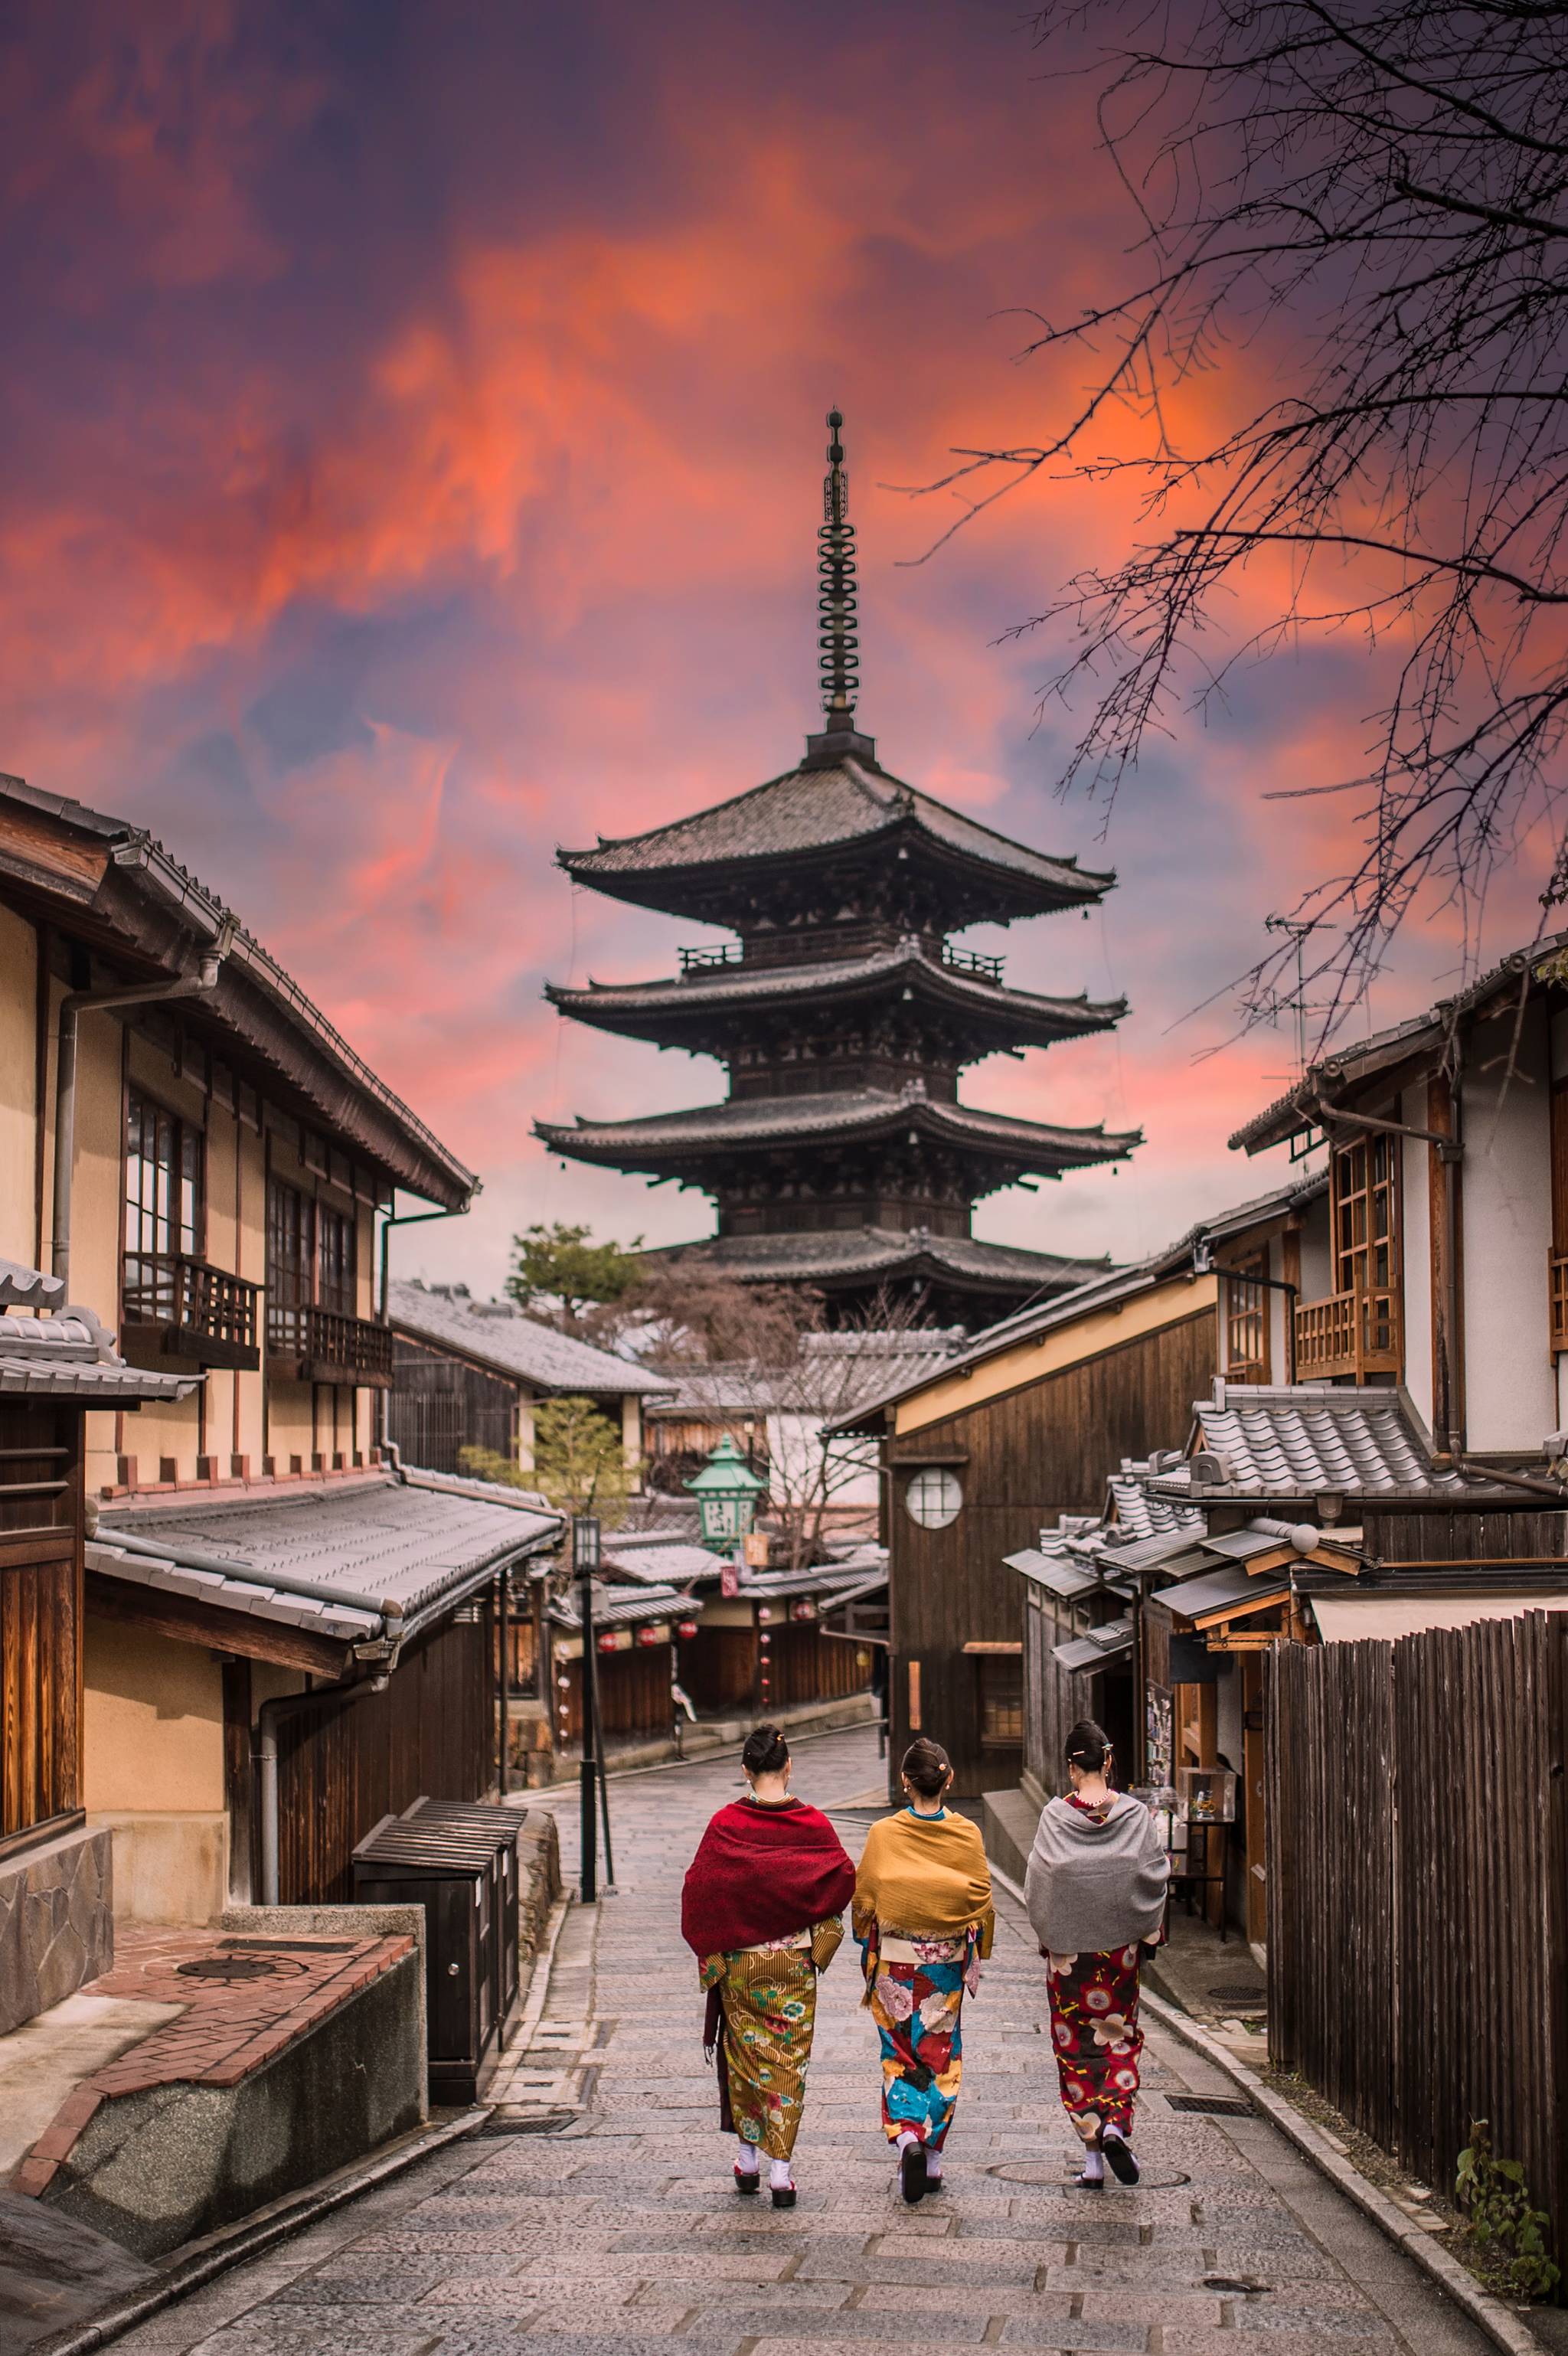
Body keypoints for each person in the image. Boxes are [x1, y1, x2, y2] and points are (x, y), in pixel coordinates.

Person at [681, 1723, 857, 2207]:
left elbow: (700, 1890)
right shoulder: (814, 1825)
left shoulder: (725, 1825)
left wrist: (719, 1944)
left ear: (745, 1770)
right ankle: (782, 2171)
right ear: (788, 1766)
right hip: (795, 1963)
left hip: (741, 1966)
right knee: (787, 2063)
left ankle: (748, 2159)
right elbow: (842, 1878)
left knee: (744, 2060)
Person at [1024, 1717, 1170, 2188]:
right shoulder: (1133, 1815)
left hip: (1068, 1953)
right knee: (1119, 2037)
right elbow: (1152, 1872)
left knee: (1076, 2047)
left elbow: (1040, 1882)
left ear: (1071, 1768)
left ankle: (1091, 2157)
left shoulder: (1054, 1816)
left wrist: (1051, 1930)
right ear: (1108, 1761)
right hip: (1118, 1951)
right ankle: (1114, 2122)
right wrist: (1144, 1927)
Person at [852, 1736, 995, 2204]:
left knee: (898, 2051)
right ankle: (932, 2155)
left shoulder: (884, 1835)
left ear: (904, 1782)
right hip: (946, 1968)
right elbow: (980, 1898)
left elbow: (865, 1900)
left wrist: (863, 1938)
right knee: (940, 2053)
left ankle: (908, 2136)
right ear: (949, 1780)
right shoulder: (967, 1835)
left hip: (895, 1963)